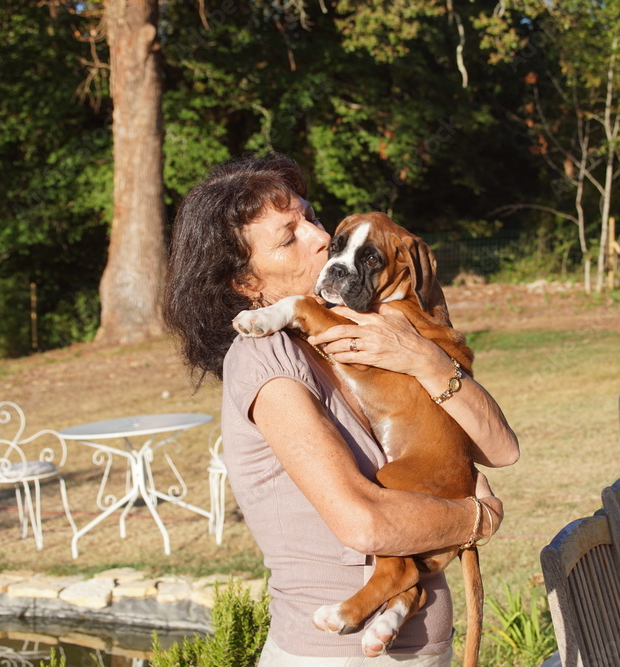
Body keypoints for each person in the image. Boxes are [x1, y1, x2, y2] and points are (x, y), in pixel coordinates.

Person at [163, 153, 519, 665]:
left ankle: (404, 598)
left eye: (311, 217)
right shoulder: (265, 356)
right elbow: (363, 524)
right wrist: (472, 519)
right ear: (246, 283)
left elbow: (502, 450)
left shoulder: (372, 329)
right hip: (336, 654)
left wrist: (427, 360)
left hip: (417, 647)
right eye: (289, 237)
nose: (319, 237)